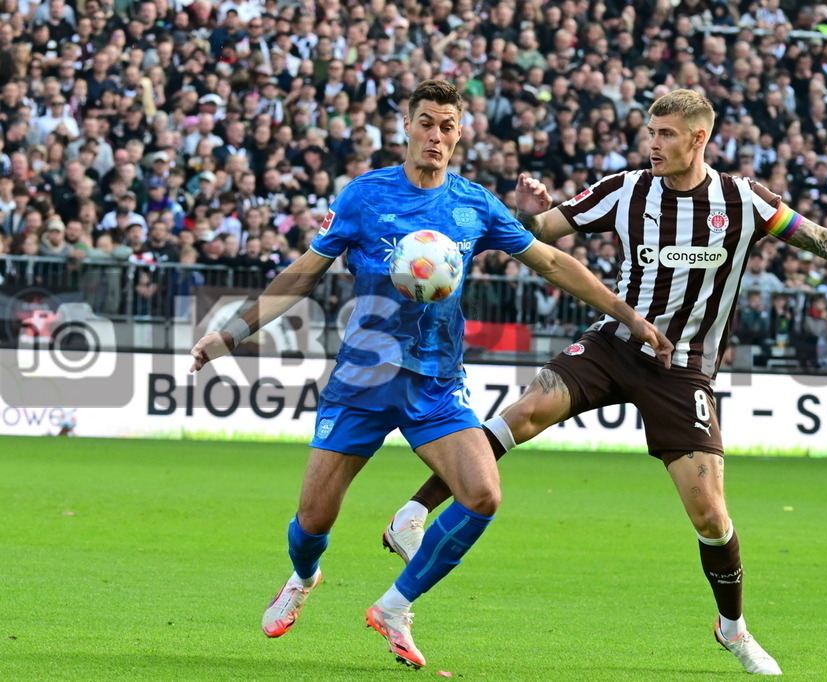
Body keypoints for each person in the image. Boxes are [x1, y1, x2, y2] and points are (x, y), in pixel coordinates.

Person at [381, 89, 827, 676]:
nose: (653, 144)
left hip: (683, 371)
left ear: (698, 138)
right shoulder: (625, 189)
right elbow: (537, 234)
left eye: (665, 134)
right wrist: (524, 211)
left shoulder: (744, 200)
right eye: (650, 133)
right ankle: (412, 514)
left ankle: (732, 628)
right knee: (525, 412)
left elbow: (821, 239)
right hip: (613, 344)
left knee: (710, 516)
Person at [188, 80, 671, 670]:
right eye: (426, 123)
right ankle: (303, 576)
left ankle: (394, 606)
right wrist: (231, 334)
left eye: (447, 126)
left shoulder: (474, 204)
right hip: (363, 380)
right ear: (407, 127)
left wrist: (629, 316)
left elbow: (549, 261)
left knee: (482, 495)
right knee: (314, 519)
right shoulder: (365, 195)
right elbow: (303, 273)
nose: (435, 136)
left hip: (436, 383)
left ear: (459, 134)